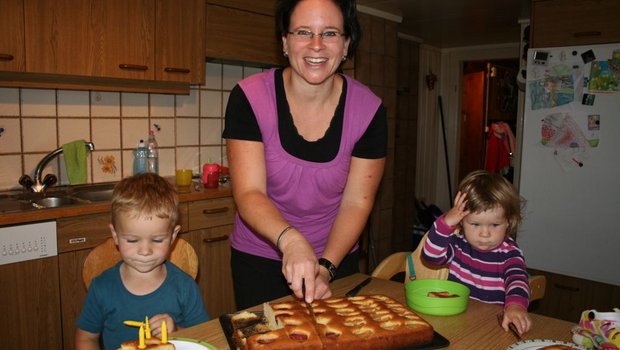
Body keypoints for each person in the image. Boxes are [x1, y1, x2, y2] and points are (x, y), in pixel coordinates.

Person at [222, 0, 387, 309]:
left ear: (346, 43)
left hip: (334, 260)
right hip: (259, 257)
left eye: (330, 33)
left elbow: (357, 202)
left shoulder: (369, 111)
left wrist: (326, 267)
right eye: (303, 32)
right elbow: (249, 192)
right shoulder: (249, 97)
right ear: (285, 42)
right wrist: (291, 240)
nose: (316, 45)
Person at [75, 173, 210, 350]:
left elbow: (203, 338)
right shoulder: (102, 288)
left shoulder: (184, 287)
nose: (145, 251)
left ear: (173, 236)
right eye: (132, 240)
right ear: (115, 236)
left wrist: (176, 331)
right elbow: (86, 338)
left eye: (157, 240)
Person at [421, 170, 532, 335]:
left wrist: (515, 306)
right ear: (462, 222)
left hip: (494, 326)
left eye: (494, 225)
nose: (484, 234)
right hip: (458, 321)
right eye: (475, 224)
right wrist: (446, 223)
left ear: (508, 221)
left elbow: (517, 279)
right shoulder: (458, 244)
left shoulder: (510, 252)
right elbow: (431, 256)